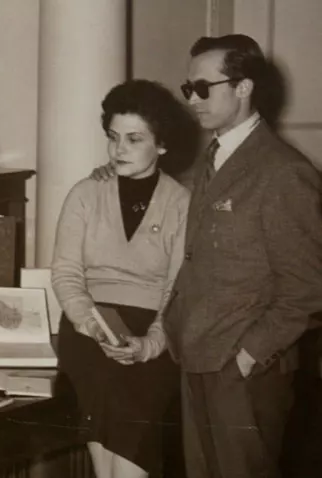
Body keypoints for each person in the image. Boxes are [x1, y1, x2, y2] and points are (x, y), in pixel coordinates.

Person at [90, 34, 322, 478]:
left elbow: (308, 287)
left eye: (202, 88)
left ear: (243, 87)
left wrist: (248, 356)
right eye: (188, 88)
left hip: (242, 371)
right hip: (197, 358)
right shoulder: (212, 161)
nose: (192, 99)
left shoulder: (283, 172)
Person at [51, 79, 195, 478]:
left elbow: (177, 290)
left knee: (130, 454)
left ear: (161, 145)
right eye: (113, 138)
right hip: (89, 329)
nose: (119, 150)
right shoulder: (85, 194)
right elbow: (65, 273)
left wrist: (150, 345)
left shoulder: (182, 204)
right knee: (107, 460)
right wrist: (92, 323)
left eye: (134, 139)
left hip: (153, 331)